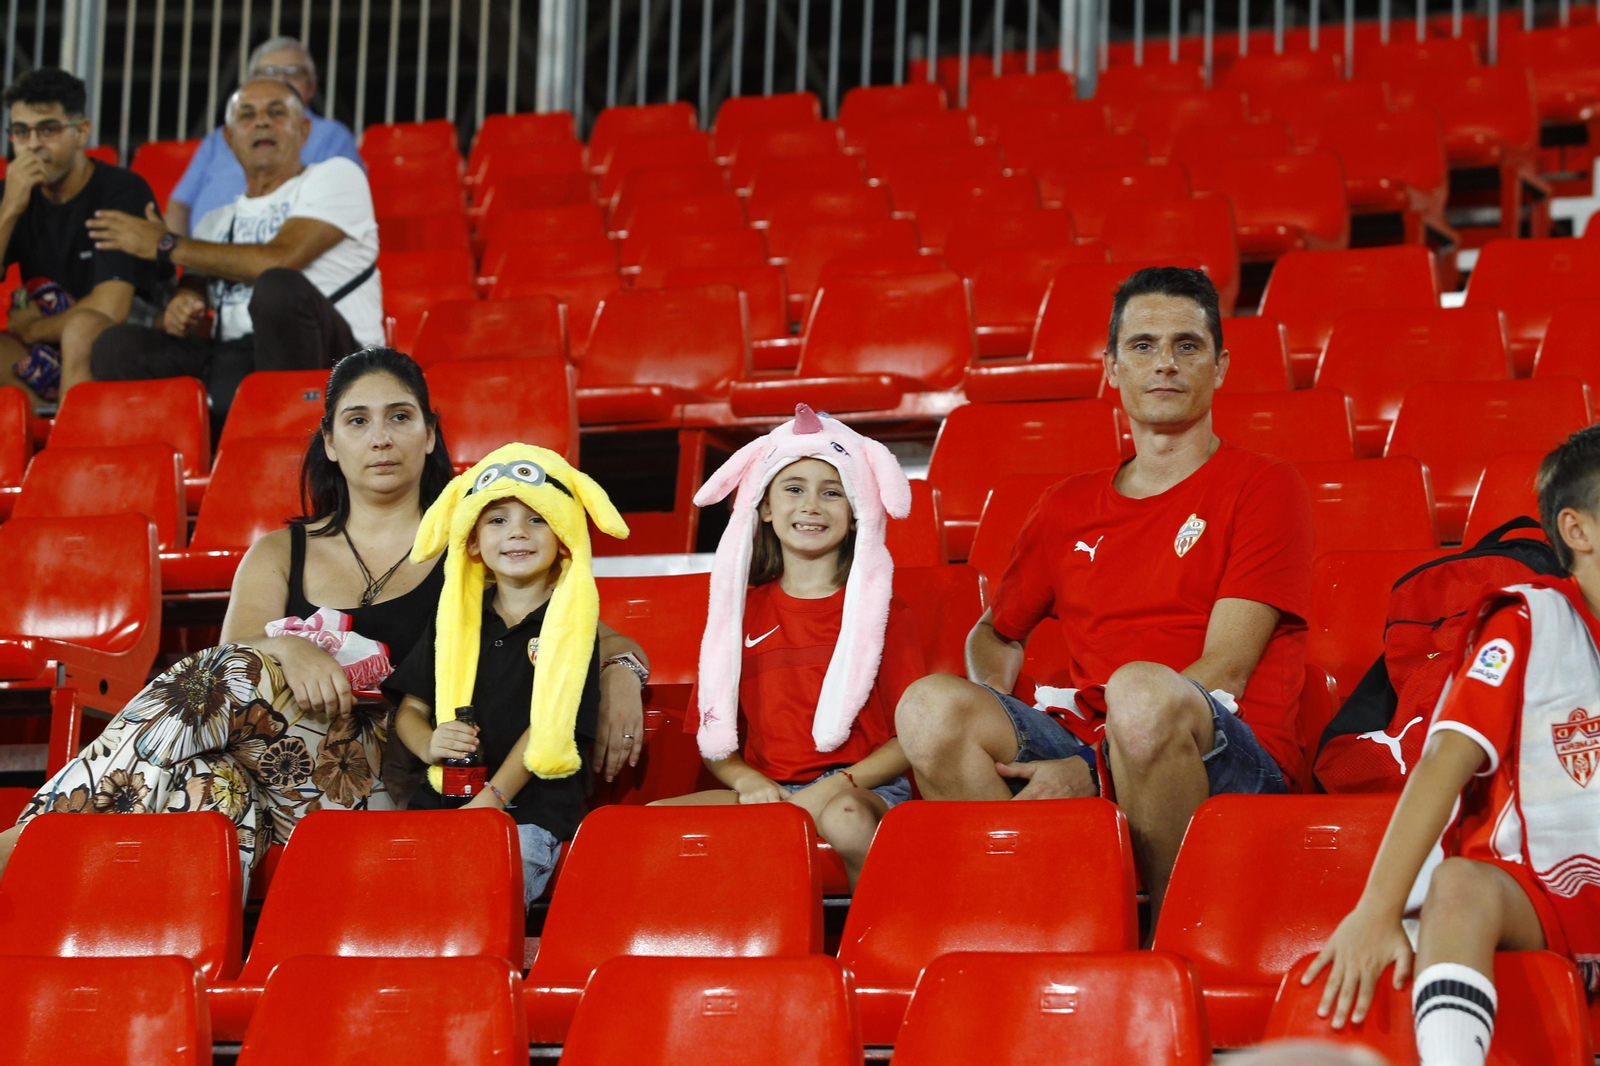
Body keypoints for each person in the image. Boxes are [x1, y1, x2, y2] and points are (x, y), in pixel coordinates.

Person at [0, 348, 650, 886]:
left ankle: (27, 847)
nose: (381, 437)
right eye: (358, 421)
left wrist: (620, 668)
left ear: (429, 433)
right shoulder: (279, 551)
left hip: (391, 771)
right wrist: (288, 649)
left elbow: (575, 626)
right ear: (331, 443)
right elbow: (217, 691)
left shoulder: (475, 547)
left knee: (224, 716)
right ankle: (136, 962)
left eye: (400, 417)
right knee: (210, 780)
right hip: (275, 771)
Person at [895, 266, 1314, 926]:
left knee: (1141, 694)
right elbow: (995, 633)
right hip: (1100, 735)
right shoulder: (1065, 507)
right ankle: (1039, 927)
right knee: (928, 709)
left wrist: (1091, 772)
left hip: (1231, 751)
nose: (1165, 364)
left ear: (1220, 366)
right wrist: (1008, 714)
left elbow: (1226, 669)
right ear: (1112, 367)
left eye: (1187, 345)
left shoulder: (1264, 487)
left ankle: (1174, 938)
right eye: (1143, 346)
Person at [1305, 427, 1600, 1066]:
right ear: (1578, 531)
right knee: (1461, 885)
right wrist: (1376, 911)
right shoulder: (1528, 623)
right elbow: (1443, 760)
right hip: (1545, 893)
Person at [653, 405, 924, 886]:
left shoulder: (886, 610)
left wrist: (837, 786)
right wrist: (748, 781)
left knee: (844, 817)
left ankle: (877, 947)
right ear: (763, 506)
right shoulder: (739, 612)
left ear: (858, 510)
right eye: (794, 490)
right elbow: (715, 737)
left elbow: (913, 738)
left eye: (832, 492)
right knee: (648, 824)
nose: (811, 506)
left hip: (862, 787)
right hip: (770, 790)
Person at [385, 443, 630, 906]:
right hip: (442, 803)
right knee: (393, 900)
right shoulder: (455, 621)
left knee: (482, 899)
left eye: (537, 519)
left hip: (527, 813)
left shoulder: (573, 627)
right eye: (497, 520)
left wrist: (493, 798)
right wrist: (427, 742)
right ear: (472, 540)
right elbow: (411, 706)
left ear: (564, 535)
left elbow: (551, 722)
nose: (517, 533)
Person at [84, 77, 383, 424]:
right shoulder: (215, 221)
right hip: (238, 360)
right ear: (228, 138)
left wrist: (165, 243)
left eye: (276, 112)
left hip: (335, 362)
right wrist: (182, 307)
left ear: (304, 130)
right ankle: (182, 456)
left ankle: (282, 428)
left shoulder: (336, 177)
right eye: (246, 115)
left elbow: (279, 258)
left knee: (277, 287)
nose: (261, 122)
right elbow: (193, 290)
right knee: (115, 347)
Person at [0, 68, 168, 407]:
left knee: (82, 330)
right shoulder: (14, 194)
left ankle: (67, 444)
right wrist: (9, 211)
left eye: (48, 129)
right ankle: (37, 433)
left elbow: (111, 309)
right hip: (55, 346)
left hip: (132, 341)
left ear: (81, 133)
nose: (33, 145)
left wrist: (33, 330)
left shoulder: (121, 191)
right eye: (21, 132)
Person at [165, 36, 362, 238]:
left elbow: (336, 214)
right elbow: (180, 204)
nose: (280, 80)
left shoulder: (332, 136)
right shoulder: (218, 139)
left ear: (311, 86)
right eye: (268, 73)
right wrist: (178, 260)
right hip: (203, 256)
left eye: (293, 72)